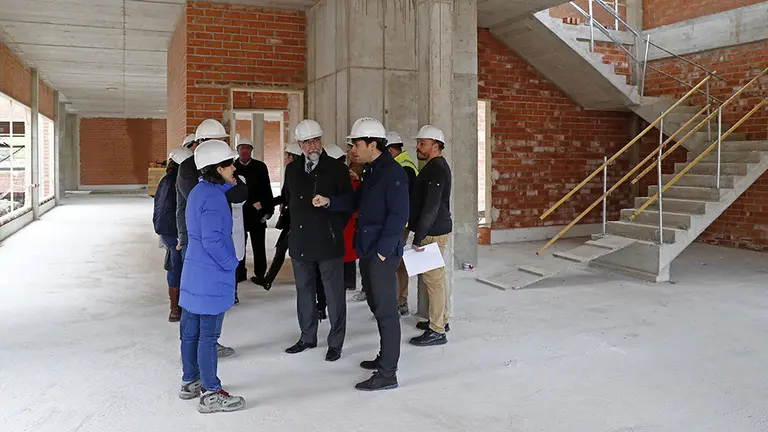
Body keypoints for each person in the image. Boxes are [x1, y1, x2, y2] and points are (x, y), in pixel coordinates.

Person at [313, 117, 409, 391]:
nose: (354, 148)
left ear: (372, 143)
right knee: (376, 306)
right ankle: (384, 358)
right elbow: (358, 202)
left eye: (357, 143)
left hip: (380, 252)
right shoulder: (371, 170)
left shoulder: (393, 173)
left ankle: (388, 373)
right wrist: (330, 202)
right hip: (367, 249)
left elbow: (399, 215)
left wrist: (381, 252)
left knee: (387, 310)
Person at [177, 139, 245, 413]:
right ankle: (211, 392)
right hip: (211, 274)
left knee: (190, 332)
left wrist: (231, 181)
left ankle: (190, 381)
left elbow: (232, 188)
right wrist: (232, 263)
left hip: (194, 272)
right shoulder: (215, 199)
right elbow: (213, 240)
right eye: (228, 164)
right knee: (208, 336)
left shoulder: (199, 191)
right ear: (215, 168)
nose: (234, 167)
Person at [283, 119, 352, 362]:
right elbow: (288, 200)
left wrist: (330, 207)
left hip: (328, 242)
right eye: (306, 142)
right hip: (301, 242)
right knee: (304, 292)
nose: (312, 146)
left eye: (315, 140)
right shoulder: (292, 170)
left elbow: (350, 204)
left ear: (321, 140)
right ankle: (307, 337)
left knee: (334, 295)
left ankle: (335, 342)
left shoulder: (337, 169)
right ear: (299, 144)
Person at [408, 125, 453, 347]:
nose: (418, 146)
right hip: (432, 231)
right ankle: (440, 321)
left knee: (433, 282)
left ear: (435, 146)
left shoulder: (436, 169)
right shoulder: (434, 166)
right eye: (418, 143)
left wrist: (419, 236)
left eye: (422, 143)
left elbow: (432, 207)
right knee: (436, 280)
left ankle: (437, 331)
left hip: (432, 233)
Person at [255, 143, 302, 291]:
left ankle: (269, 280)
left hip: (295, 219)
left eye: (287, 155)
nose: (285, 158)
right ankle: (268, 279)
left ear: (292, 156)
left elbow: (286, 197)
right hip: (294, 218)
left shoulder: (293, 171)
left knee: (284, 249)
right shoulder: (298, 171)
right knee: (282, 249)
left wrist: (264, 203)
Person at [153, 146, 192, 322]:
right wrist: (180, 235)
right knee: (177, 265)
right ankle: (175, 309)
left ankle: (178, 306)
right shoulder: (177, 180)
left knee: (176, 263)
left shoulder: (166, 179)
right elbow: (175, 209)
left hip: (166, 229)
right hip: (173, 230)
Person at [232, 137, 274, 285]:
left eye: (247, 148)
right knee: (238, 245)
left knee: (258, 245)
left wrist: (268, 209)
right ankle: (239, 273)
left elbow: (267, 189)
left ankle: (260, 274)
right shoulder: (232, 167)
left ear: (251, 151)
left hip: (257, 213)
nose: (244, 151)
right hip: (239, 214)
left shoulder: (260, 167)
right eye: (241, 148)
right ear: (238, 150)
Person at [385, 131, 418, 315]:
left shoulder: (403, 168)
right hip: (399, 222)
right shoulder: (400, 165)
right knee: (395, 262)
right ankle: (398, 300)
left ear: (390, 150)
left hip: (401, 223)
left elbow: (404, 200)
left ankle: (400, 301)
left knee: (396, 262)